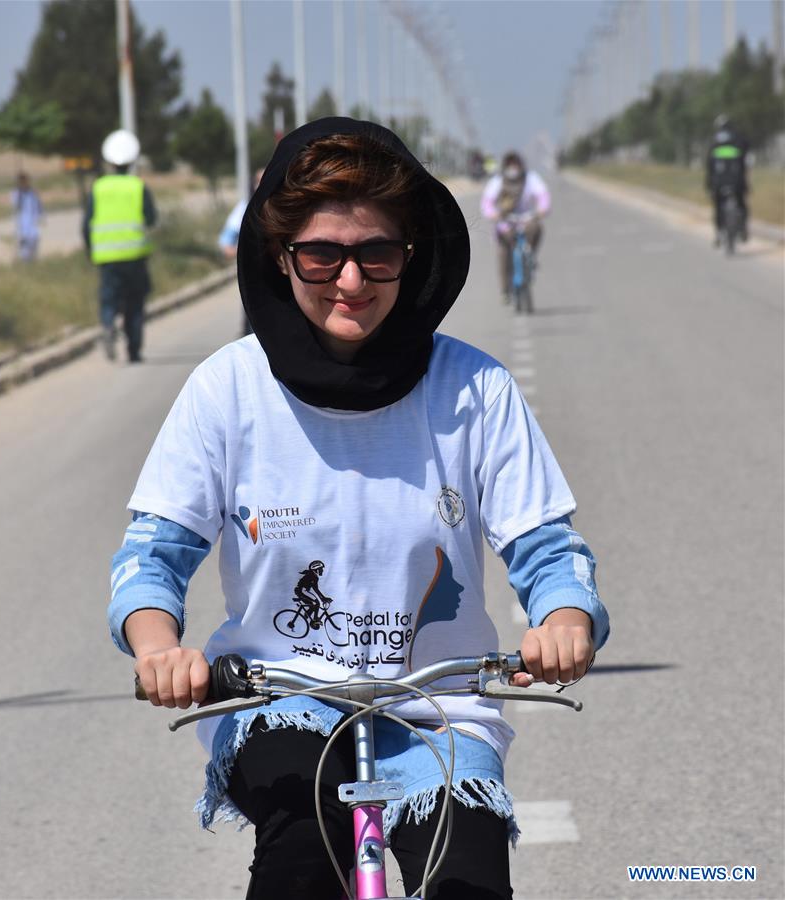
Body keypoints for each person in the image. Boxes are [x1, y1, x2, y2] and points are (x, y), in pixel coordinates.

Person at [107, 118, 609, 900]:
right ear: (280, 257)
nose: (351, 281)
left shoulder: (474, 390)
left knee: (467, 880)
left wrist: (567, 619)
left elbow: (548, 548)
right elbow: (152, 556)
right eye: (321, 255)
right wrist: (156, 648)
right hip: (280, 702)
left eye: (377, 253)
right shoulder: (228, 389)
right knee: (303, 856)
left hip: (438, 707)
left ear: (412, 256)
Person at [82, 129, 157, 363]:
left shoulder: (98, 187)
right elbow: (151, 218)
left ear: (109, 162)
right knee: (135, 303)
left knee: (109, 298)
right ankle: (133, 351)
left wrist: (90, 251)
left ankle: (107, 324)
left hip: (107, 257)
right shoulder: (137, 186)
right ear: (132, 160)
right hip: (134, 255)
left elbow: (86, 224)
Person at [481, 152, 550, 304]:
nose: (513, 168)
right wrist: (494, 215)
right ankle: (505, 291)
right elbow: (487, 203)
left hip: (527, 219)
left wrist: (542, 210)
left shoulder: (531, 179)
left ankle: (530, 255)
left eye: (515, 164)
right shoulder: (497, 182)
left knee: (536, 228)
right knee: (503, 254)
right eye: (510, 165)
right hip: (505, 222)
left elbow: (543, 195)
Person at [218, 168, 264, 337]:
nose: (262, 184)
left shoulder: (286, 207)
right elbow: (225, 241)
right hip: (254, 275)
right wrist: (243, 251)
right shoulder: (245, 208)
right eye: (258, 180)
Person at [705, 114, 750, 246]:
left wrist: (708, 184)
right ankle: (743, 228)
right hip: (737, 180)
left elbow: (709, 165)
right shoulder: (738, 138)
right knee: (742, 203)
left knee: (718, 207)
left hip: (718, 182)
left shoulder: (714, 141)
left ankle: (719, 233)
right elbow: (745, 158)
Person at [11, 172, 43, 262]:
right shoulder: (17, 194)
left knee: (34, 249)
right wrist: (20, 193)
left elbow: (39, 207)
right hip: (22, 227)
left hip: (34, 226)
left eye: (25, 180)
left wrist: (41, 216)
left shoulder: (33, 193)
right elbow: (15, 205)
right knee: (24, 252)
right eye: (21, 181)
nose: (24, 183)